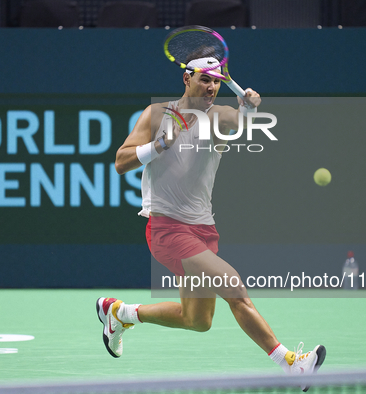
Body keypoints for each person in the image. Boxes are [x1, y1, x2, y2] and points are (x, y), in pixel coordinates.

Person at [97, 53, 325, 391]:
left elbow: (241, 122)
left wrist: (250, 106)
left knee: (197, 320)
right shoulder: (157, 114)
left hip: (204, 229)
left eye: (216, 81)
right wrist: (159, 145)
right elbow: (120, 162)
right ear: (186, 78)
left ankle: (121, 313)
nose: (212, 87)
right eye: (205, 79)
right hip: (166, 229)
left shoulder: (218, 116)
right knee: (235, 288)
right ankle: (291, 364)